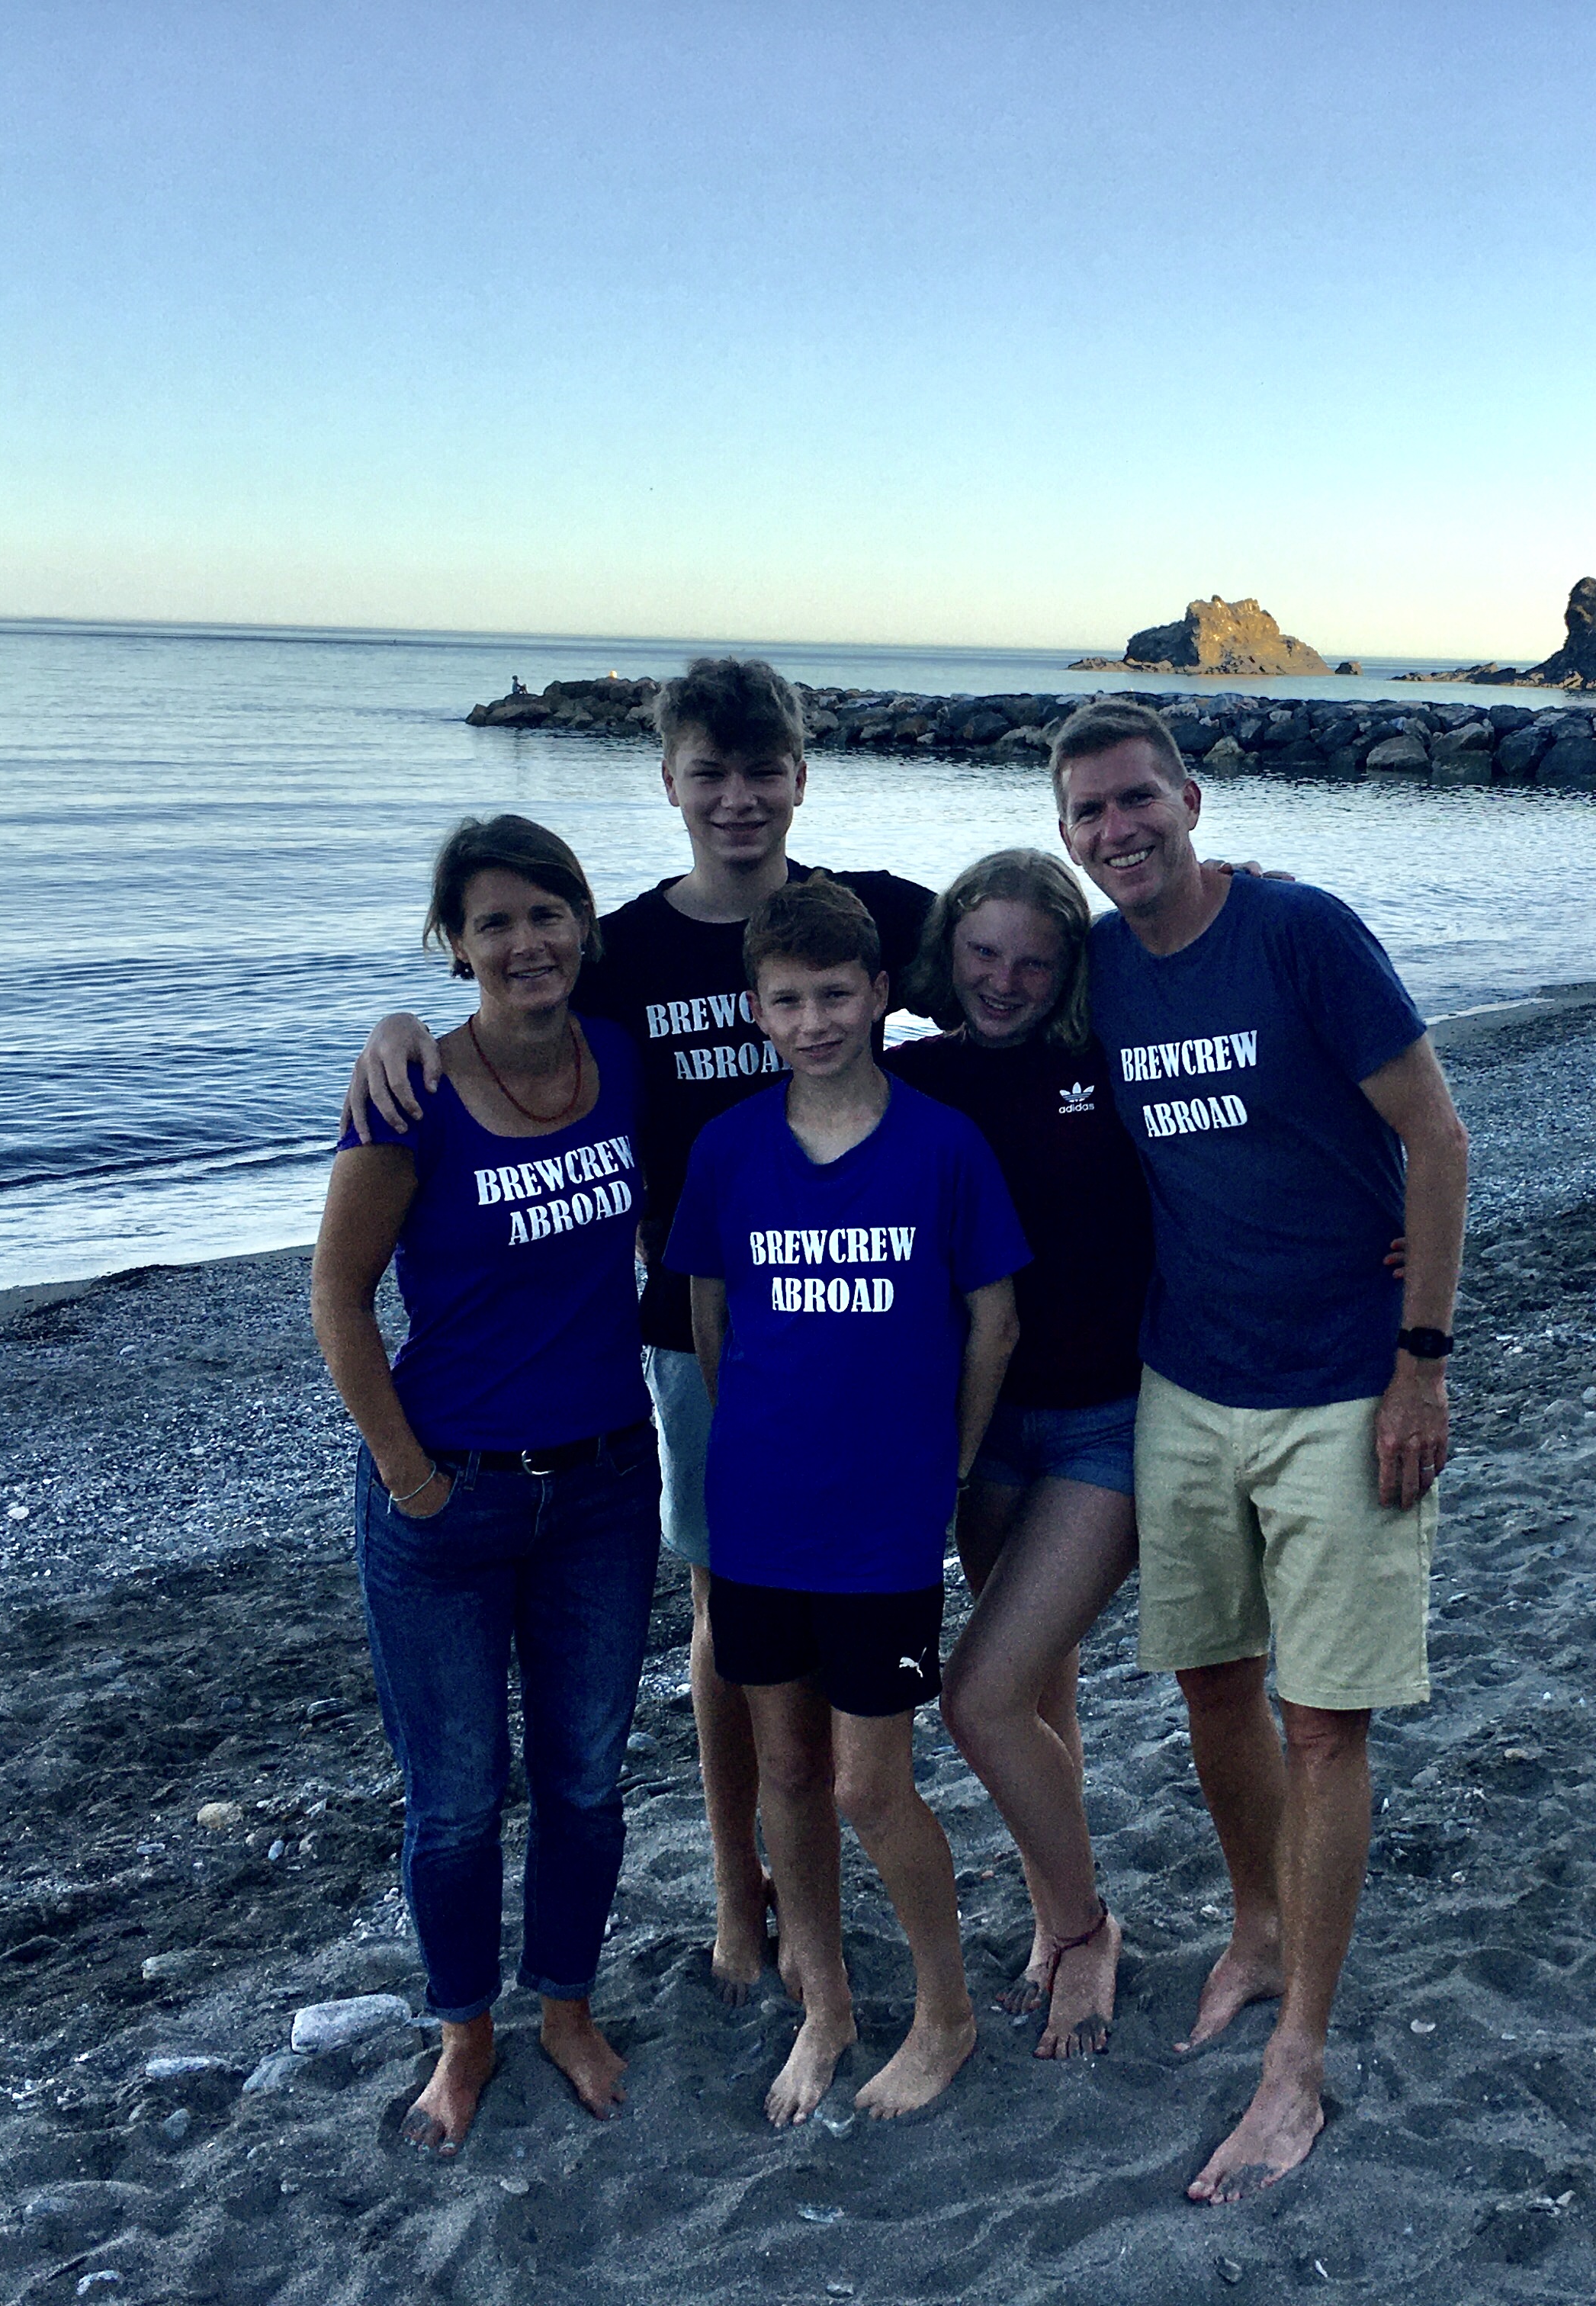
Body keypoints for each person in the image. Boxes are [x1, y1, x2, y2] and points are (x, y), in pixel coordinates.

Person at [350, 658, 934, 2008]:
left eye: (763, 770)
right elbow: (506, 1011)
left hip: (863, 1324)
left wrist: (1216, 893)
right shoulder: (618, 954)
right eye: (709, 773)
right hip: (692, 1332)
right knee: (730, 1618)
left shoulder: (867, 920)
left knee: (847, 1609)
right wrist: (396, 1026)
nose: (739, 799)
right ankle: (741, 1889)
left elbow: (1036, 970)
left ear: (801, 776)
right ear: (669, 781)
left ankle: (868, 1875)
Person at [1048, 699, 1469, 2205]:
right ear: (1067, 838)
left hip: (1344, 1388)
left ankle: (1299, 2060)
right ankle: (1259, 1925)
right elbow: (921, 957)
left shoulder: (1302, 934)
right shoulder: (1093, 968)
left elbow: (1437, 1138)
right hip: (1185, 1383)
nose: (1118, 831)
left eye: (1137, 800)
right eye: (1089, 814)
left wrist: (1421, 1365)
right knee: (1211, 1681)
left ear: (1192, 800)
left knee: (1324, 1726)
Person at [310, 814, 660, 2154]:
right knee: (456, 1799)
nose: (525, 942)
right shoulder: (410, 1096)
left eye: (546, 913)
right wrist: (409, 1479)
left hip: (605, 1489)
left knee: (585, 1779)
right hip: (448, 1499)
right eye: (494, 922)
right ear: (455, 945)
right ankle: (464, 2035)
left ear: (583, 925)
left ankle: (565, 2006)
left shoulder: (622, 1059)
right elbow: (339, 1299)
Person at [666, 875, 1028, 2124]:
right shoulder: (729, 1148)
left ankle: (946, 2011)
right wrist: (767, 1442)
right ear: (755, 1011)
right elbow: (712, 1321)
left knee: (871, 1785)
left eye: (834, 995)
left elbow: (993, 1323)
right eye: (787, 1001)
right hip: (761, 1512)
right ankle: (824, 2003)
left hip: (884, 1523)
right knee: (785, 1766)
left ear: (879, 994)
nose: (813, 1021)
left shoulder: (942, 1145)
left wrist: (950, 1464)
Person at [881, 849, 1154, 2059]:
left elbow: (1252, 1116)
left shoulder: (1111, 1058)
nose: (1004, 981)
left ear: (1069, 968)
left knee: (981, 1696)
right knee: (1039, 1686)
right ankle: (1055, 1910)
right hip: (982, 1426)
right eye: (983, 953)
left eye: (1035, 962)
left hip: (1108, 1422)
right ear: (947, 951)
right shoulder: (913, 1080)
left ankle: (1086, 1928)